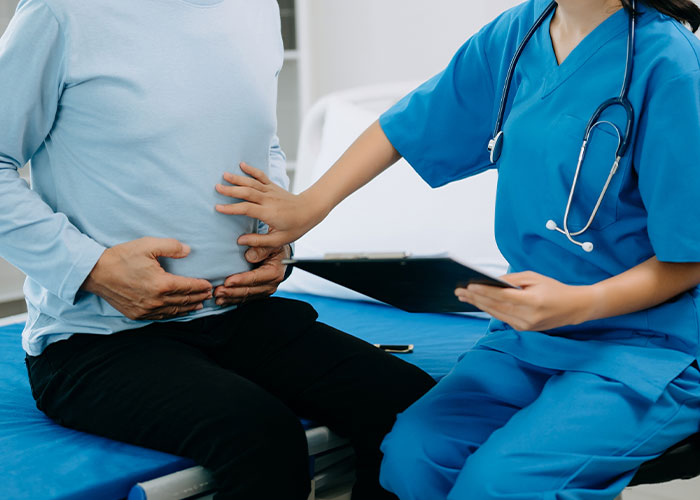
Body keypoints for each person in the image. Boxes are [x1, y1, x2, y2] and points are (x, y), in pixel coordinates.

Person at [214, 0, 700, 498]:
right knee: (412, 455)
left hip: (644, 348)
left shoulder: (670, 63)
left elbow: (690, 257)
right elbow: (407, 124)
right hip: (524, 338)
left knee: (501, 483)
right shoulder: (519, 33)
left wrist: (580, 304)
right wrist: (311, 204)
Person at [0, 0, 436, 498]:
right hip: (97, 338)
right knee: (261, 437)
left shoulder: (254, 8)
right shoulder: (61, 13)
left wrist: (278, 240)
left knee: (413, 410)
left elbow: (260, 145)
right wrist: (93, 268)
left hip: (238, 314)